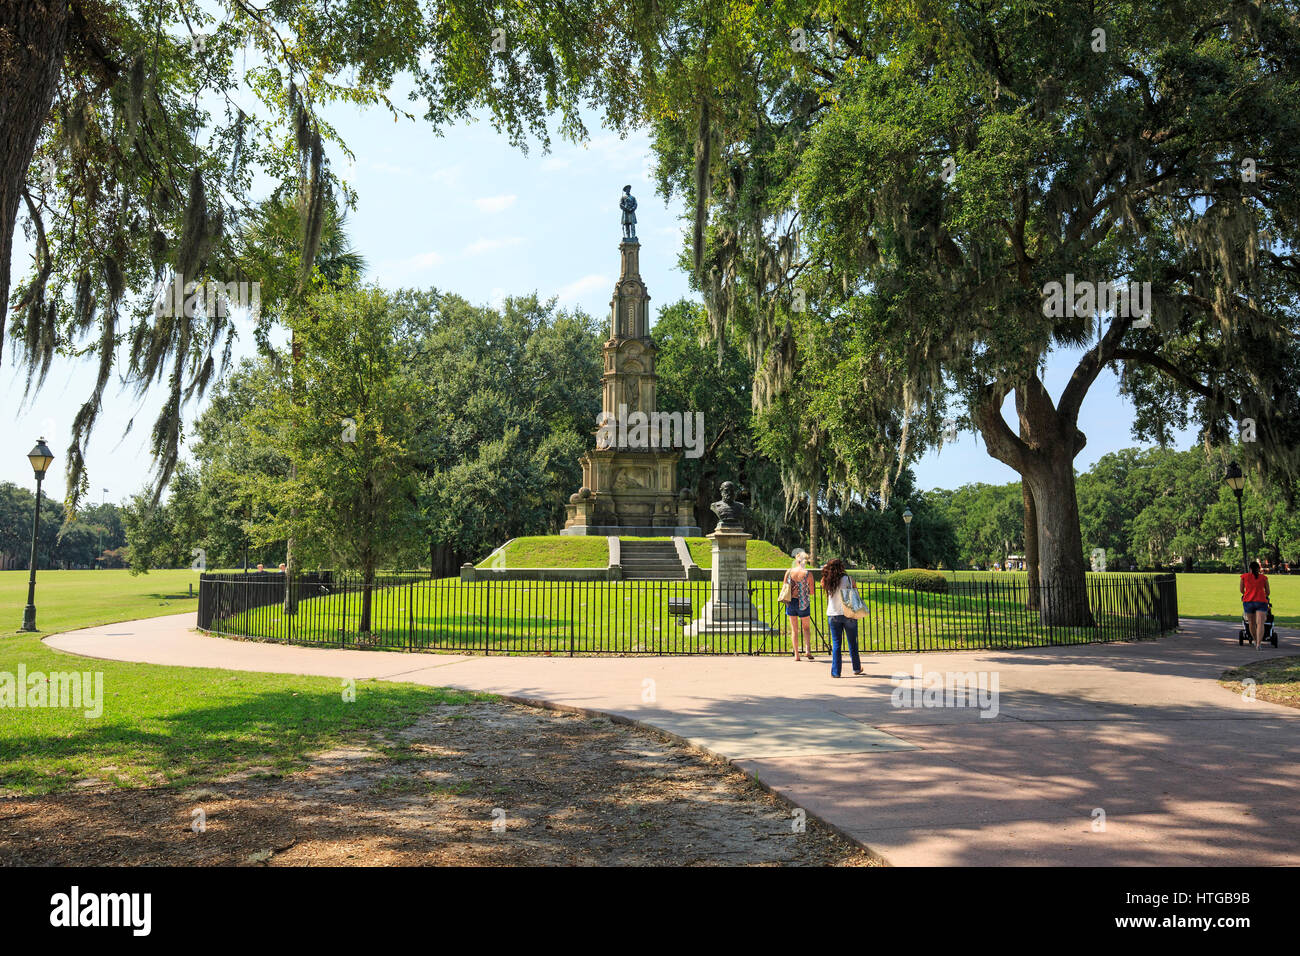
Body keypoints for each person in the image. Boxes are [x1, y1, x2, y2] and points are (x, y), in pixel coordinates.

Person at [823, 558, 864, 677]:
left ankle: (836, 672)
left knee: (836, 644)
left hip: (833, 614)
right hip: (848, 613)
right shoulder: (848, 579)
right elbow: (856, 593)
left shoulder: (826, 580)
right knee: (852, 643)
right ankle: (856, 668)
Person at [782, 549, 816, 661]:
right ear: (805, 561)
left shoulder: (789, 572)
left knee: (794, 629)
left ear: (797, 561)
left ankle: (796, 655)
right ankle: (807, 650)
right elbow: (812, 591)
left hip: (791, 602)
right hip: (804, 602)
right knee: (806, 628)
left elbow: (785, 587)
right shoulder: (808, 574)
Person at [1240, 560, 1271, 650]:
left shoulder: (1244, 577)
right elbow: (1268, 592)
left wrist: (1248, 593)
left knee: (1251, 623)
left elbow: (1241, 590)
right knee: (1260, 623)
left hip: (1248, 601)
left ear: (1250, 568)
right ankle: (1258, 644)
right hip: (1261, 601)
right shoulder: (1264, 578)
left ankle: (1255, 639)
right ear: (1259, 569)